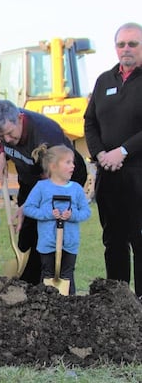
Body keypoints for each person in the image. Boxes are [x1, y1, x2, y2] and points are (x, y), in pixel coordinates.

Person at [0, 99, 87, 286]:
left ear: (20, 118)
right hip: (31, 176)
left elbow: (52, 182)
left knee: (49, 228)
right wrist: (2, 155)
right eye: (1, 135)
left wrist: (29, 206)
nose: (7, 139)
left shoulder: (47, 135)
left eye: (10, 133)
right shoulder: (6, 131)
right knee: (26, 232)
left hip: (61, 180)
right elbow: (3, 139)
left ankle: (54, 284)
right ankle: (27, 283)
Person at [84, 21, 142, 298]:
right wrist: (100, 154)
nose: (126, 49)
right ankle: (119, 302)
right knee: (113, 240)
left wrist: (124, 151)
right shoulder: (104, 80)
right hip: (109, 174)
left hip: (138, 173)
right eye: (121, 44)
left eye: (133, 43)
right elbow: (90, 122)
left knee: (139, 238)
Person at [22, 145, 90, 295]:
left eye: (72, 162)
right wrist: (47, 213)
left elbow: (86, 212)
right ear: (53, 166)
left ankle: (70, 304)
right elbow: (28, 208)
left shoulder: (76, 189)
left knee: (67, 276)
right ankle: (45, 304)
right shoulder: (42, 187)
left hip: (70, 243)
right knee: (47, 275)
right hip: (47, 242)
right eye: (68, 162)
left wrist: (72, 215)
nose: (73, 166)